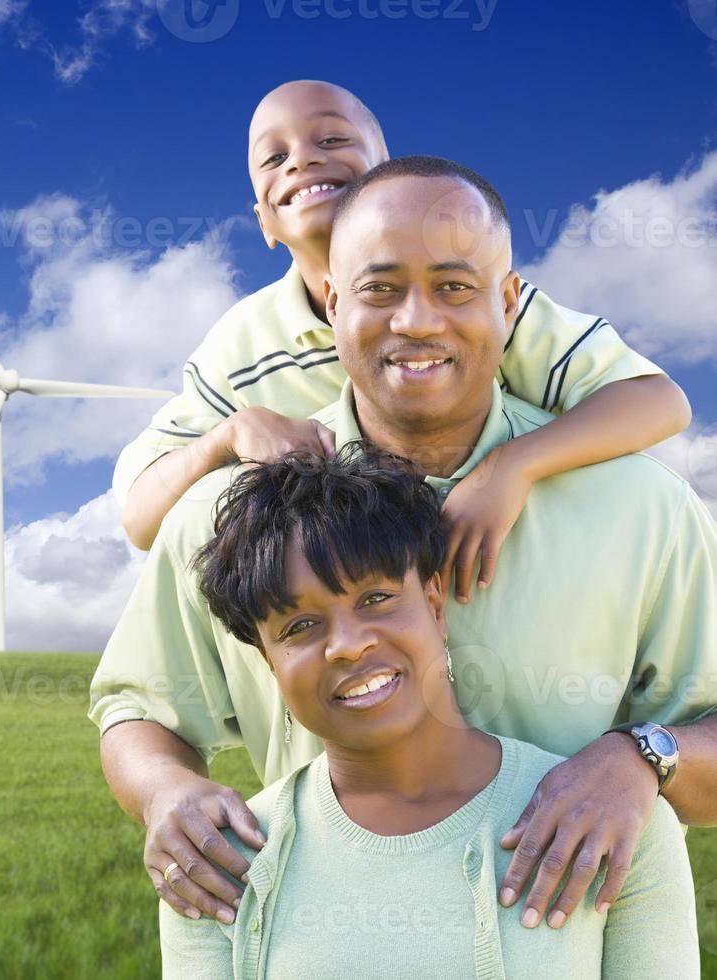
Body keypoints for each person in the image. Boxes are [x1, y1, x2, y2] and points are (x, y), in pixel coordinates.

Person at [88, 156, 717, 938]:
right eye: (379, 289)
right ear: (330, 300)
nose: (415, 320)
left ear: (508, 301)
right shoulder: (225, 516)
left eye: (454, 287)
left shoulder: (640, 507)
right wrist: (163, 794)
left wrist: (641, 756)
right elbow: (138, 708)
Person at [114, 80, 690, 616]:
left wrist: (510, 467)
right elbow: (142, 521)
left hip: (507, 577)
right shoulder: (242, 344)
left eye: (332, 138)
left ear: (387, 179)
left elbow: (657, 401)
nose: (302, 159)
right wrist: (230, 434)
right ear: (264, 221)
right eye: (273, 156)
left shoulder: (481, 307)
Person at [156, 445, 699, 978]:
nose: (346, 645)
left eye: (375, 599)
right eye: (298, 627)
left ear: (435, 607)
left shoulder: (613, 817)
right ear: (269, 663)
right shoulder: (213, 860)